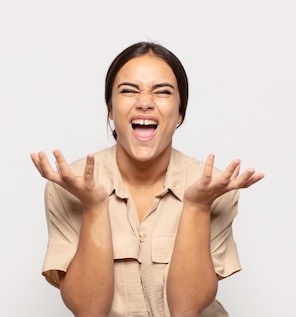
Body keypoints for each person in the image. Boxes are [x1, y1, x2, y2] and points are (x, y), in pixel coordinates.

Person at [30, 41, 264, 317]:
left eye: (162, 92)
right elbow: (88, 310)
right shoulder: (68, 186)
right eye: (128, 91)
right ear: (110, 109)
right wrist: (93, 207)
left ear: (179, 113)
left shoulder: (214, 187)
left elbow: (186, 310)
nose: (144, 103)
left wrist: (197, 207)